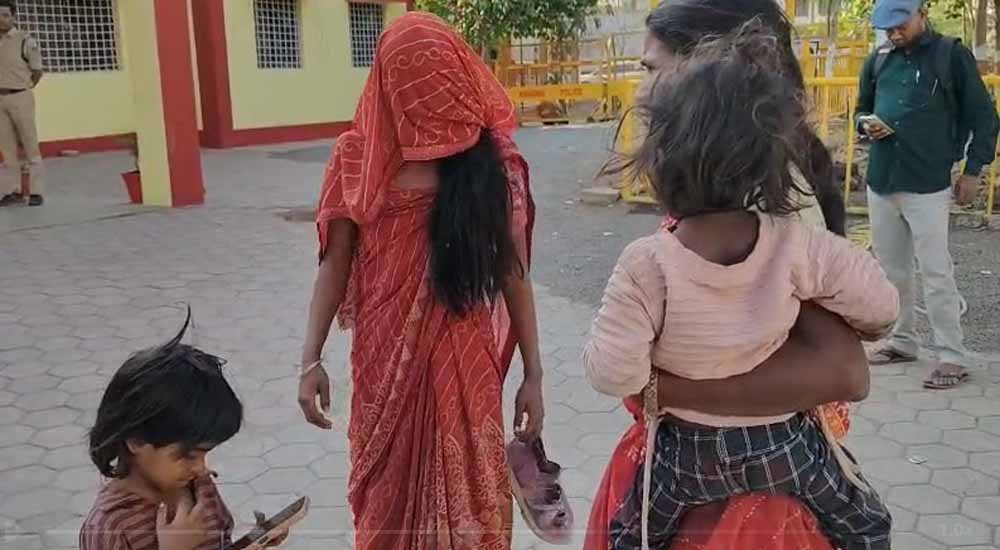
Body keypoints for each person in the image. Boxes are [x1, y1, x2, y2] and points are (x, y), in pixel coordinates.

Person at [585, 25, 897, 550]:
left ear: (657, 162)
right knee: (864, 521)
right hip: (787, 448)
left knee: (631, 535)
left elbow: (614, 374)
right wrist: (862, 321)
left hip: (684, 456)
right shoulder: (796, 243)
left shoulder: (646, 263)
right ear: (767, 164)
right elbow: (882, 307)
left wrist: (651, 373)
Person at [297, 13, 547, 550]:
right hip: (386, 362)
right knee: (387, 497)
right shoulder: (357, 157)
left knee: (470, 495)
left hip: (463, 364)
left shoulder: (490, 163)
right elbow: (334, 263)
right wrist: (310, 359)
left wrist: (534, 374)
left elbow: (511, 271)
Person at [857, 0, 999, 389]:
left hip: (928, 182)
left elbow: (984, 118)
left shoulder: (950, 56)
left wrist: (973, 171)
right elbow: (861, 108)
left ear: (922, 14)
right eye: (888, 28)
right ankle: (902, 340)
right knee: (891, 271)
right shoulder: (879, 60)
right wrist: (864, 124)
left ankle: (952, 355)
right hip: (882, 180)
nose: (894, 33)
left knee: (936, 270)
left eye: (901, 25)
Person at [80, 312, 288, 550]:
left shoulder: (198, 487)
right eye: (189, 455)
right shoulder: (109, 528)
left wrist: (255, 542)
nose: (201, 468)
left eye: (205, 454)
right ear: (136, 440)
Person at [0, 0, 44, 207]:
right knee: (7, 149)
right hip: (0, 99)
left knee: (29, 145)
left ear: (13, 16)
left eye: (5, 15)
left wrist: (24, 87)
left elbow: (37, 71)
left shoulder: (24, 40)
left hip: (20, 96)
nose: (1, 20)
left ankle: (36, 191)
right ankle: (14, 191)